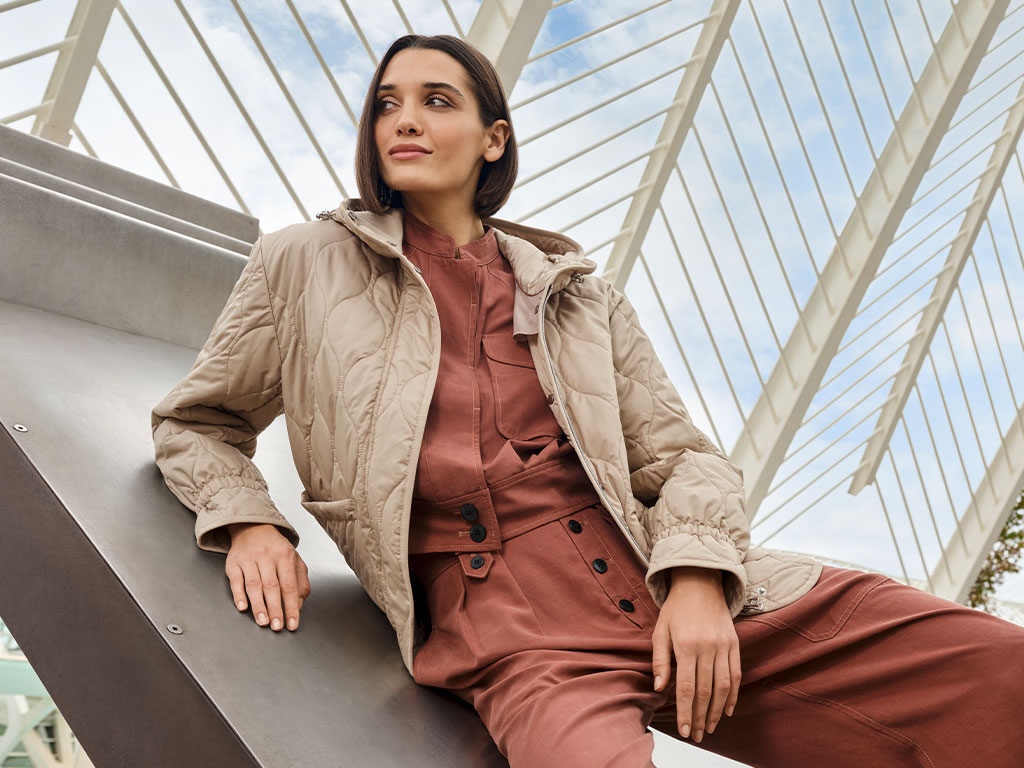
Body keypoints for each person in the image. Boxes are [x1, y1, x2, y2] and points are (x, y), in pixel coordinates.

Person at [151, 33, 1024, 768]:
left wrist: (694, 576)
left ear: (495, 139)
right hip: (514, 637)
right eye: (386, 104)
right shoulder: (303, 261)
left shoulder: (575, 291)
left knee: (994, 670)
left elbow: (683, 457)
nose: (404, 119)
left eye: (436, 100)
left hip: (668, 581)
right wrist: (248, 521)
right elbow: (196, 422)